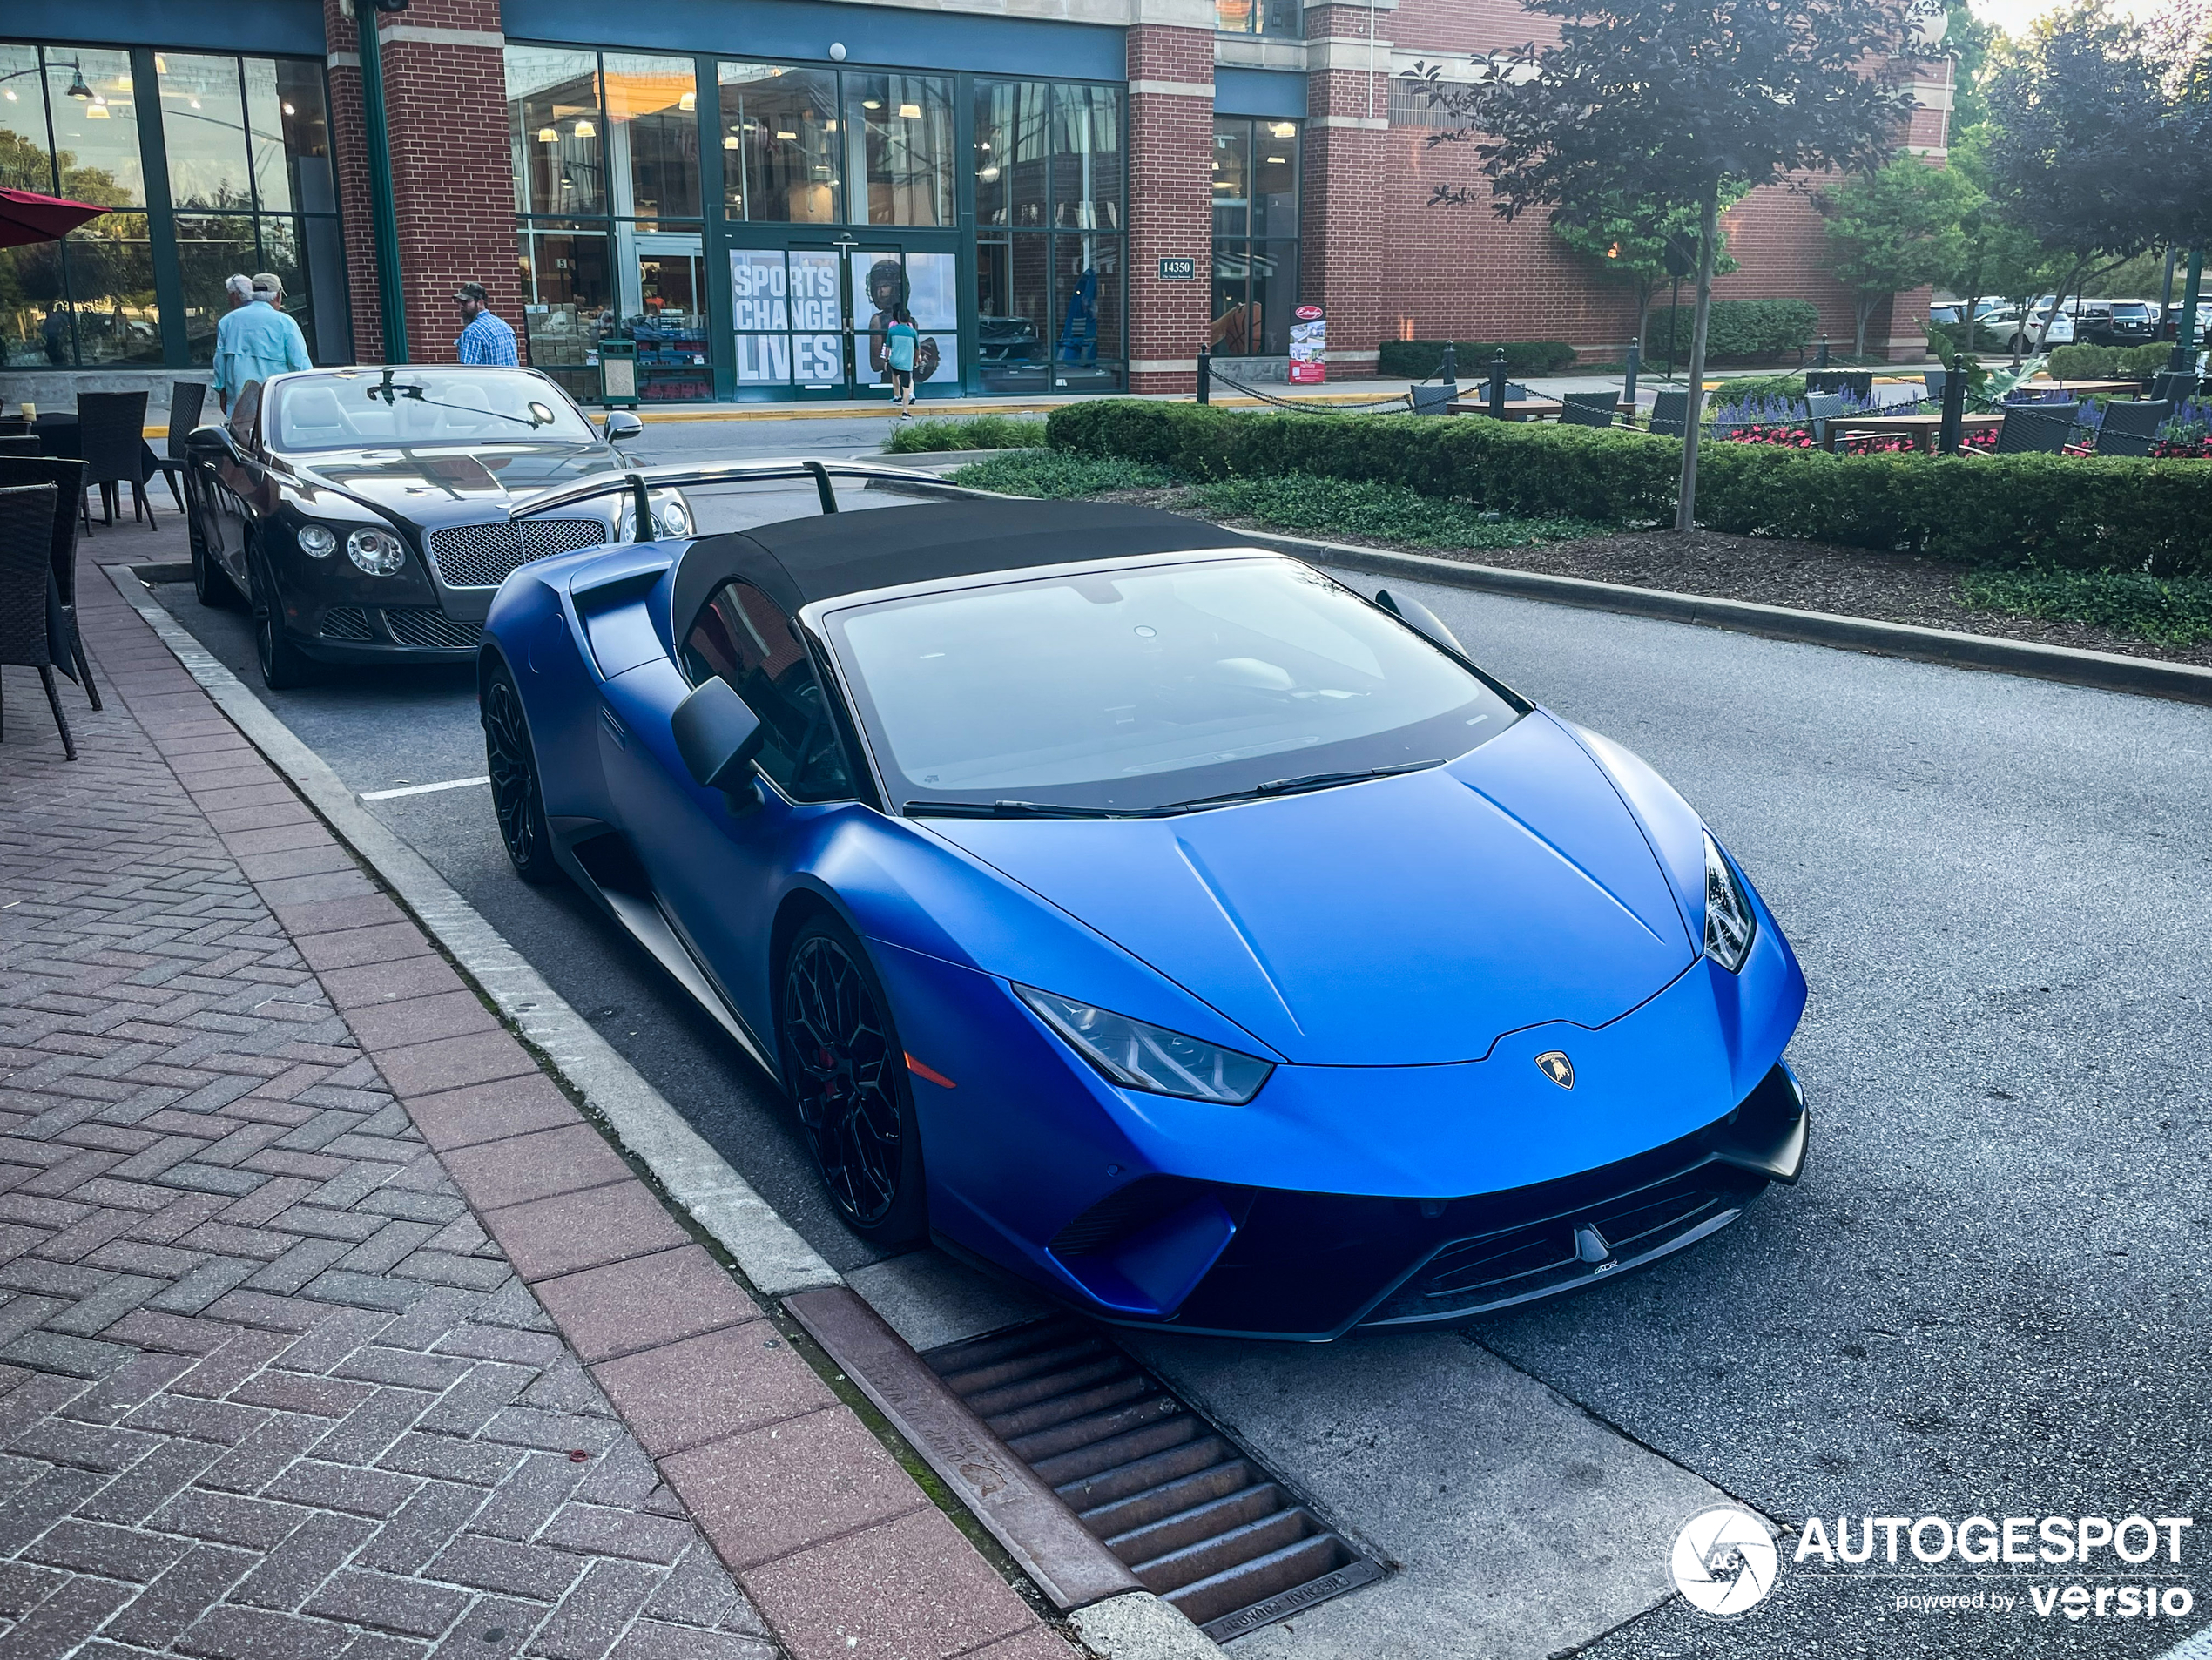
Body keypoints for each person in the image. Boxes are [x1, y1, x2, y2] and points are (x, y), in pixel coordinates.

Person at [213, 273, 311, 414]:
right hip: (277, 405)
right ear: (277, 296)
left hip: (239, 405)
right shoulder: (285, 322)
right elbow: (300, 364)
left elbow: (220, 364)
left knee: (239, 436)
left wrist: (222, 393)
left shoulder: (227, 322)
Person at [454, 281, 519, 366]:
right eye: (459, 302)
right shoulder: (505, 326)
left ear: (480, 303)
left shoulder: (472, 332)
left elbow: (469, 373)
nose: (461, 306)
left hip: (489, 379)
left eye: (466, 302)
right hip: (511, 378)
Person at [884, 306, 920, 417]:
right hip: (906, 363)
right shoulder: (912, 332)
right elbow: (917, 348)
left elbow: (888, 347)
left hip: (894, 361)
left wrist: (886, 360)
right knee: (906, 387)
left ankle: (896, 396)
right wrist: (916, 359)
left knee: (895, 377)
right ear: (909, 319)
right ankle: (905, 411)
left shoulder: (892, 330)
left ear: (898, 318)